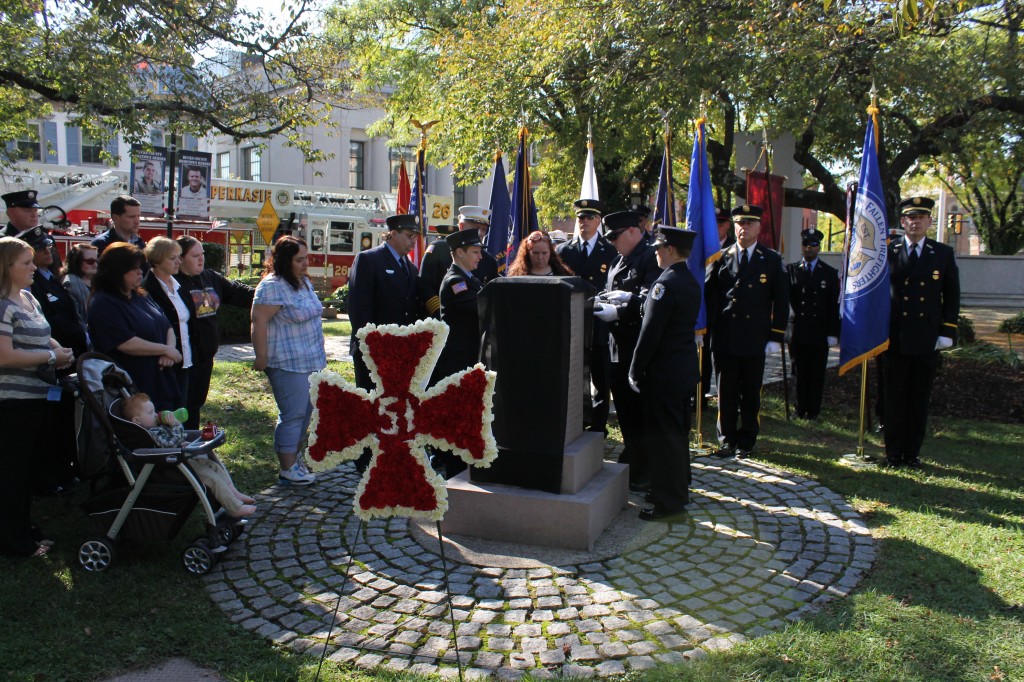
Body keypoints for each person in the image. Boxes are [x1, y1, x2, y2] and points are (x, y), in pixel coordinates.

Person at [0, 237, 75, 557]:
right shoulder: (3, 305)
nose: (35, 267)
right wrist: (49, 358)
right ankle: (12, 541)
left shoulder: (29, 297)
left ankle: (21, 529)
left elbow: (45, 335)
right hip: (12, 402)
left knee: (27, 470)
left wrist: (58, 349)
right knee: (12, 472)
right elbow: (5, 356)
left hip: (37, 396)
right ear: (6, 267)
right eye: (26, 263)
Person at [706, 204, 789, 459]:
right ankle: (726, 439)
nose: (745, 228)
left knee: (751, 393)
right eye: (741, 223)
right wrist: (703, 330)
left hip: (754, 338)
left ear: (759, 227)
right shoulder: (721, 257)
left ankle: (746, 440)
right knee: (726, 392)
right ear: (735, 226)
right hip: (725, 336)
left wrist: (776, 335)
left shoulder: (772, 259)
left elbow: (782, 300)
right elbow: (709, 296)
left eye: (750, 223)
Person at [883, 196, 960, 468]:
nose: (915, 222)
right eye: (910, 217)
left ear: (929, 221)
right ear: (902, 221)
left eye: (921, 217)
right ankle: (893, 452)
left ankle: (912, 453)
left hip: (926, 337)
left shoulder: (941, 253)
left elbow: (951, 296)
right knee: (893, 396)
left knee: (918, 397)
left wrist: (947, 331)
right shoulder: (888, 252)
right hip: (894, 336)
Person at [629, 226, 700, 521]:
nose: (655, 251)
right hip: (682, 370)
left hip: (663, 374)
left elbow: (650, 333)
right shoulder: (690, 280)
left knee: (663, 438)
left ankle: (667, 502)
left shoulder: (665, 284)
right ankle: (678, 486)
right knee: (677, 434)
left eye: (659, 247)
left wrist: (634, 370)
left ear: (670, 250)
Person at [592, 210, 661, 491]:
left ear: (634, 231)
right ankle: (633, 455)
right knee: (624, 408)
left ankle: (644, 466)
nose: (613, 242)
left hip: (637, 347)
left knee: (639, 410)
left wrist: (621, 311)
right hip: (617, 347)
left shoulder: (649, 258)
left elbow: (652, 302)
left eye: (616, 236)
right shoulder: (620, 258)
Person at [347, 214, 422, 472]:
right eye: (409, 235)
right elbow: (359, 307)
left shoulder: (409, 267)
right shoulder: (369, 260)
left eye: (415, 236)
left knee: (392, 407)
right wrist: (370, 346)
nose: (413, 241)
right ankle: (365, 458)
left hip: (399, 352)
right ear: (392, 233)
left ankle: (388, 452)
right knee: (371, 403)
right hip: (373, 351)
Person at [251, 236, 326, 486]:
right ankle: (286, 468)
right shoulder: (272, 286)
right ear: (285, 261)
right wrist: (260, 357)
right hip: (286, 361)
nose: (306, 264)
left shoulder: (303, 282)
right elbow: (258, 321)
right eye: (299, 260)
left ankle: (294, 460)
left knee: (307, 414)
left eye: (306, 258)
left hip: (311, 359)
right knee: (293, 414)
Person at [19, 226, 88, 493]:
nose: (48, 251)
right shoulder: (30, 287)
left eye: (48, 246)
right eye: (39, 249)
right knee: (48, 426)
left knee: (63, 421)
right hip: (46, 369)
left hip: (66, 357)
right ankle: (48, 476)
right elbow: (49, 323)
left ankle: (64, 470)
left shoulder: (50, 279)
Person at [121, 393, 256, 517]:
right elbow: (170, 444)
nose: (156, 415)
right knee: (213, 479)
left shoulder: (156, 427)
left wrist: (182, 442)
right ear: (137, 421)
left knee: (215, 467)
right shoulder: (151, 433)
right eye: (151, 413)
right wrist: (176, 424)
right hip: (176, 466)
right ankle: (234, 508)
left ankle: (234, 493)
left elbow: (175, 442)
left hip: (183, 460)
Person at [87, 242, 182, 411]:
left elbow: (166, 324)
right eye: (134, 268)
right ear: (117, 271)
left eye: (141, 267)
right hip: (134, 388)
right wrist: (164, 350)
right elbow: (125, 342)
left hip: (162, 381)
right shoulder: (103, 303)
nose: (140, 272)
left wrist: (169, 350)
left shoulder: (140, 295)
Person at [175, 235, 255, 429]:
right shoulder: (173, 283)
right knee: (183, 407)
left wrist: (268, 293)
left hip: (206, 357)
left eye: (202, 254)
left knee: (196, 404)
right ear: (181, 258)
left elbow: (237, 292)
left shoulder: (210, 277)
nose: (201, 259)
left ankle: (192, 445)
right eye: (195, 256)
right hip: (184, 359)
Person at [557, 199, 616, 434]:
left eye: (590, 217)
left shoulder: (609, 251)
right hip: (572, 323)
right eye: (581, 217)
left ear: (599, 221)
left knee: (601, 377)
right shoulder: (564, 251)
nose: (584, 222)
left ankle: (599, 425)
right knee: (574, 376)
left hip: (599, 323)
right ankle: (576, 421)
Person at [786, 228, 840, 420]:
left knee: (816, 371)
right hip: (797, 330)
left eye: (813, 245)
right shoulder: (790, 270)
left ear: (819, 247)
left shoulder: (830, 273)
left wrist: (833, 332)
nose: (809, 248)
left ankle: (814, 410)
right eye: (806, 244)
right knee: (798, 371)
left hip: (819, 331)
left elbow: (834, 305)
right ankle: (799, 408)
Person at [143, 237, 194, 409]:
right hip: (163, 363)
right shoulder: (147, 289)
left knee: (186, 409)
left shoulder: (179, 286)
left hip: (185, 359)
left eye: (179, 257)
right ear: (157, 261)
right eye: (173, 258)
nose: (179, 261)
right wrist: (166, 351)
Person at [699, 206, 738, 408]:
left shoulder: (734, 247)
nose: (716, 227)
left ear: (728, 226)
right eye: (713, 224)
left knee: (724, 361)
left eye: (720, 223)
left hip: (725, 313)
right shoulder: (701, 246)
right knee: (702, 357)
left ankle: (727, 400)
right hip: (704, 310)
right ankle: (700, 396)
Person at [418, 224, 457, 319]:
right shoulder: (436, 247)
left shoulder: (436, 246)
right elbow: (425, 287)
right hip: (436, 315)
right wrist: (438, 311)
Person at [458, 206, 499, 283]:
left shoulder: (489, 261)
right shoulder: (441, 250)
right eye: (476, 228)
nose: (480, 233)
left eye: (483, 229)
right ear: (462, 226)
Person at [506, 231, 575, 276]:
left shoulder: (562, 274)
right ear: (527, 252)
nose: (540, 257)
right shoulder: (516, 275)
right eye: (535, 253)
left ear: (550, 252)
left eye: (544, 253)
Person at [61, 243, 99, 324]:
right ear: (77, 261)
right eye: (90, 261)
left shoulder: (98, 282)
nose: (95, 265)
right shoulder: (71, 284)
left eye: (96, 261)